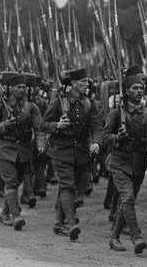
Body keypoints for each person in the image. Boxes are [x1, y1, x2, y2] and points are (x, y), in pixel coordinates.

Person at [42, 67, 103, 240]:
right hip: (60, 152)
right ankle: (70, 224)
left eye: (87, 81)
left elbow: (96, 127)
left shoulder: (90, 104)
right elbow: (43, 124)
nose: (87, 84)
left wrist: (96, 142)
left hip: (80, 153)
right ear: (74, 84)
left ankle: (58, 224)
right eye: (83, 82)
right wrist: (57, 126)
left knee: (71, 187)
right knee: (68, 186)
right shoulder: (59, 102)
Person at [103, 67, 147, 253]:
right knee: (127, 198)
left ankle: (114, 237)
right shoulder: (117, 114)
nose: (139, 91)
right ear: (126, 91)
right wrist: (117, 138)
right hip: (119, 162)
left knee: (127, 201)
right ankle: (136, 237)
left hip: (139, 163)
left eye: (141, 88)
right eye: (134, 88)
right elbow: (105, 137)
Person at [0, 72, 42, 230]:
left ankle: (4, 214)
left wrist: (42, 141)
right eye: (18, 87)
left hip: (23, 151)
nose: (22, 90)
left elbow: (39, 126)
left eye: (24, 87)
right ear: (11, 88)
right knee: (11, 182)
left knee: (16, 182)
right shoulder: (1, 105)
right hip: (4, 148)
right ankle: (16, 215)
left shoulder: (31, 107)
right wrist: (5, 125)